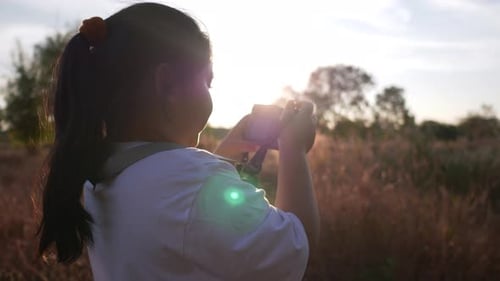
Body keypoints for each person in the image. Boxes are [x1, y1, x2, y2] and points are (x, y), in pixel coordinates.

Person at [37, 3, 319, 280]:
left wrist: (225, 154)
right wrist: (294, 148)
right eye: (207, 81)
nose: (210, 94)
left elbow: (184, 215)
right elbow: (296, 244)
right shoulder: (191, 182)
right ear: (168, 85)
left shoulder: (98, 177)